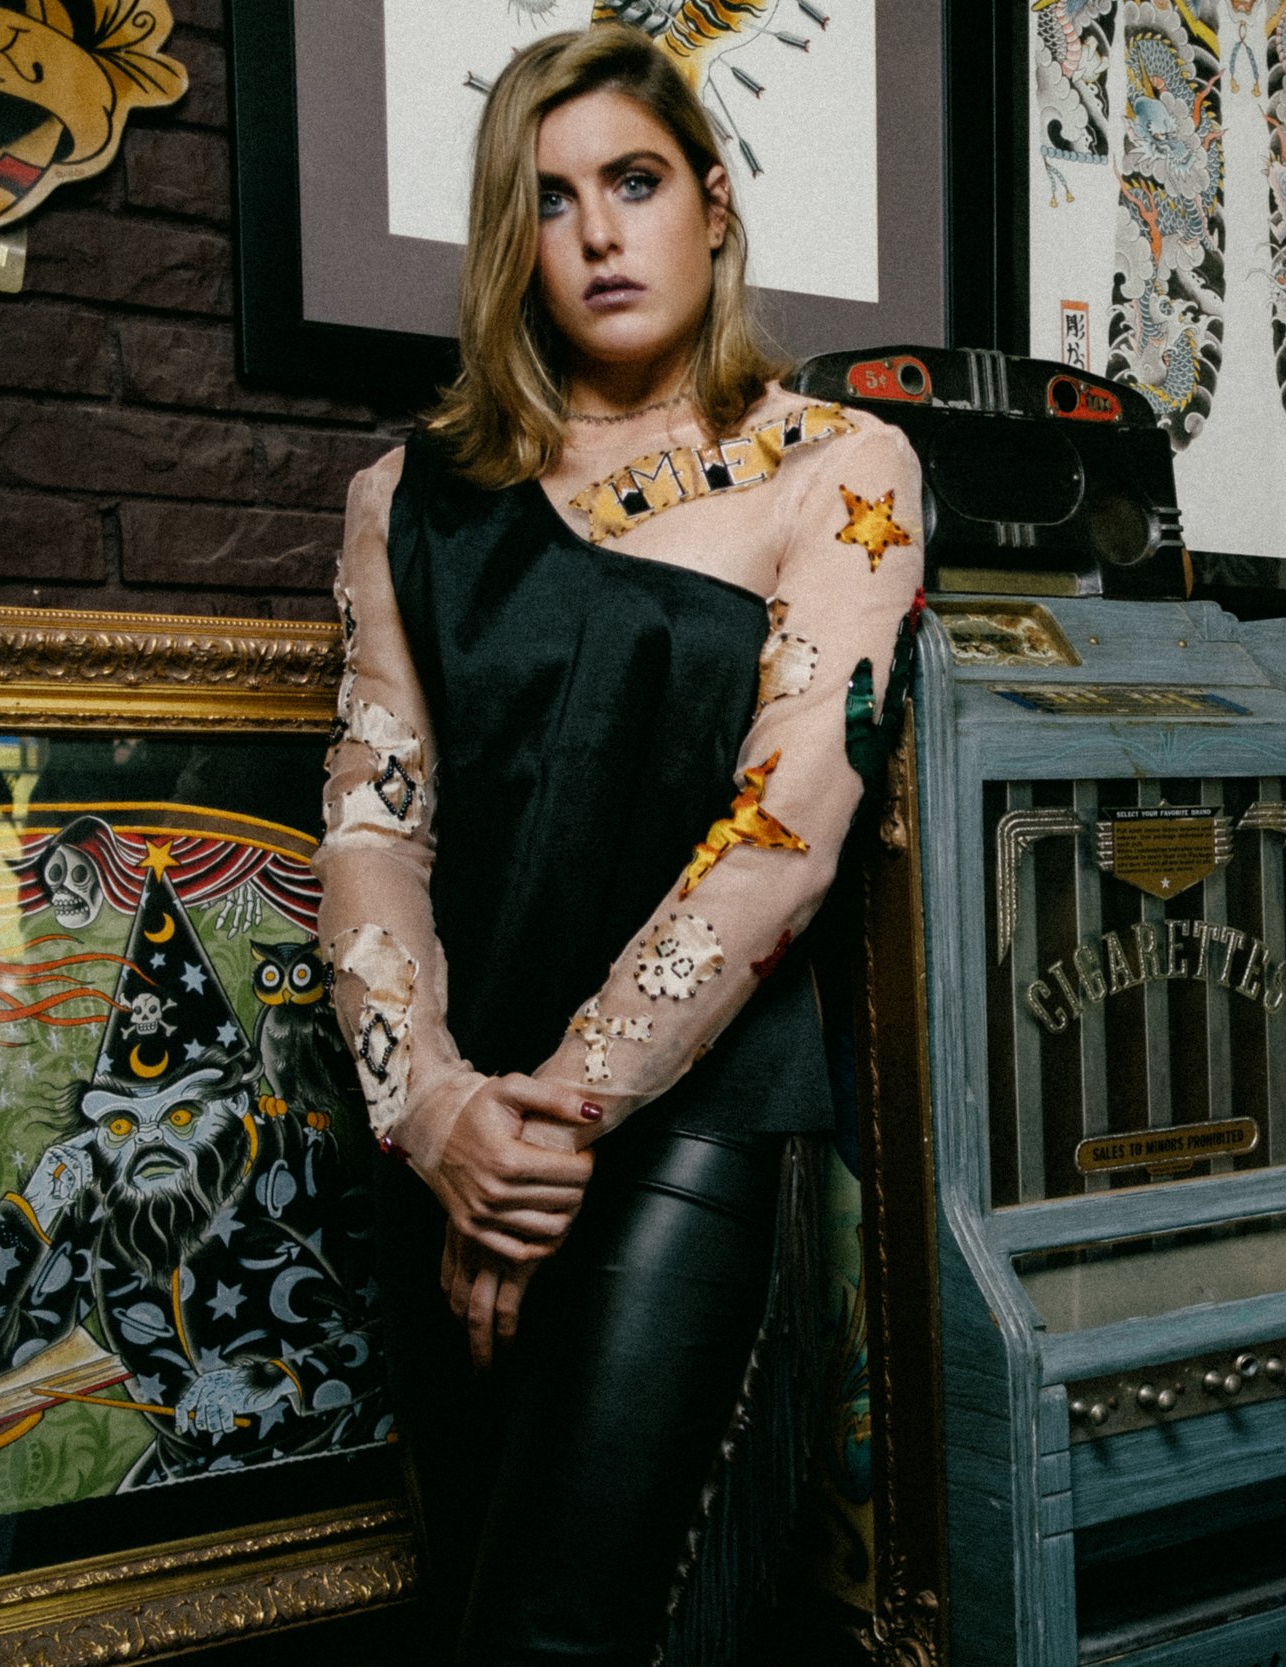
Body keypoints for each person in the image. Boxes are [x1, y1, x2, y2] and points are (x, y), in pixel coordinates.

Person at [315, 25, 923, 1664]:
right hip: (453, 1131)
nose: (597, 231)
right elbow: (374, 827)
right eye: (549, 197)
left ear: (713, 205)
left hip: (692, 1119)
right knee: (470, 1598)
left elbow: (785, 831)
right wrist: (439, 1107)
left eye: (635, 182)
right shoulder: (406, 498)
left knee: (561, 1628)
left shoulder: (839, 466)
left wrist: (553, 1120)